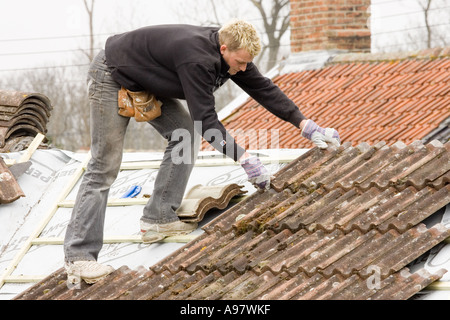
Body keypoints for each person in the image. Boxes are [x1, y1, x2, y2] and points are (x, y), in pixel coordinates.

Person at [63, 20, 340, 285]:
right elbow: (206, 121)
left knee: (183, 134)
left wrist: (305, 124)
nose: (242, 69)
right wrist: (243, 158)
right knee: (105, 164)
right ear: (223, 49)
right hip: (112, 73)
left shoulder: (235, 53)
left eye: (247, 63)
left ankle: (158, 218)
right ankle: (79, 256)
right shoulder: (197, 61)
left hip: (146, 78)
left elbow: (264, 89)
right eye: (239, 62)